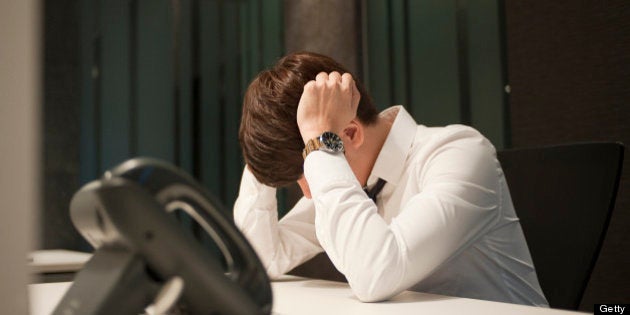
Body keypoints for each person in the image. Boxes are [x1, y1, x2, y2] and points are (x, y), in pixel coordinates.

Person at [233, 51, 548, 306]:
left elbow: (376, 274)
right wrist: (262, 146)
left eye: (306, 173)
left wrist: (319, 143)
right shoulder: (344, 179)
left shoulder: (458, 152)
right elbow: (261, 261)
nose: (310, 194)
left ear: (350, 133)